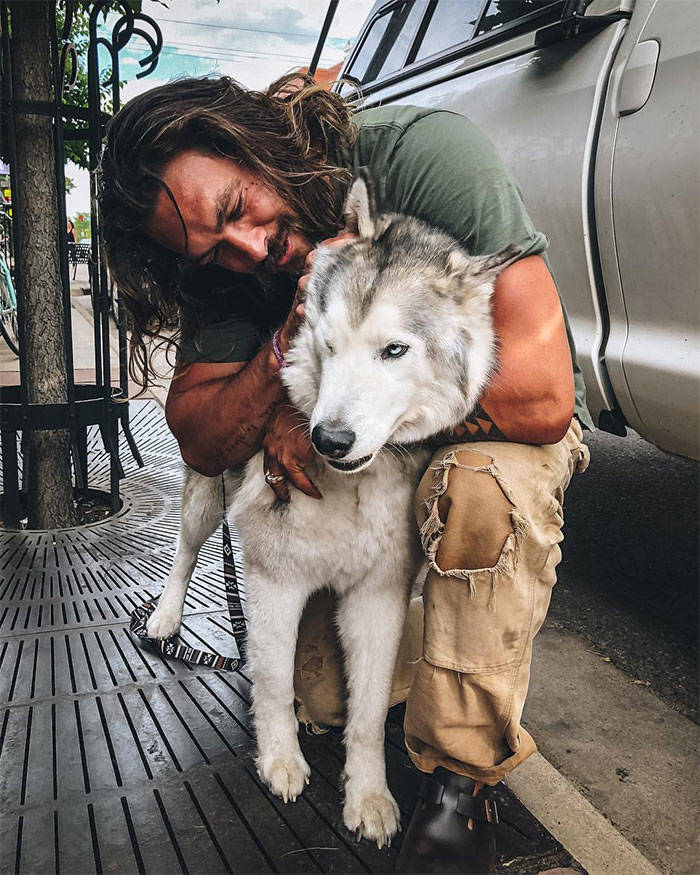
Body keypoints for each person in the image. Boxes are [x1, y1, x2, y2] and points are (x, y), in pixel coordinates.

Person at [100, 74, 591, 873]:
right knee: (326, 699)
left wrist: (339, 411)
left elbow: (543, 396)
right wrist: (286, 360)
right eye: (214, 247)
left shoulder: (426, 156)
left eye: (236, 210)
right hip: (357, 462)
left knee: (484, 489)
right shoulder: (233, 264)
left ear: (247, 138)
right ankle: (435, 648)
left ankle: (461, 784)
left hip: (485, 423)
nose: (249, 247)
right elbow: (197, 436)